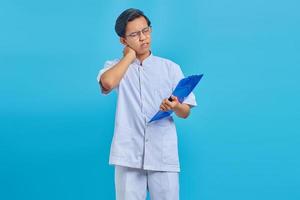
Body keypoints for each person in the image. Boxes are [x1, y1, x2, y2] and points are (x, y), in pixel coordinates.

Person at [96, 8, 197, 200]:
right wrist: (128, 57)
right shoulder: (116, 67)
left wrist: (175, 106)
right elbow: (108, 83)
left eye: (146, 30)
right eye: (134, 34)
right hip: (128, 155)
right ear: (123, 41)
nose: (143, 38)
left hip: (163, 153)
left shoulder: (170, 68)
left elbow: (185, 112)